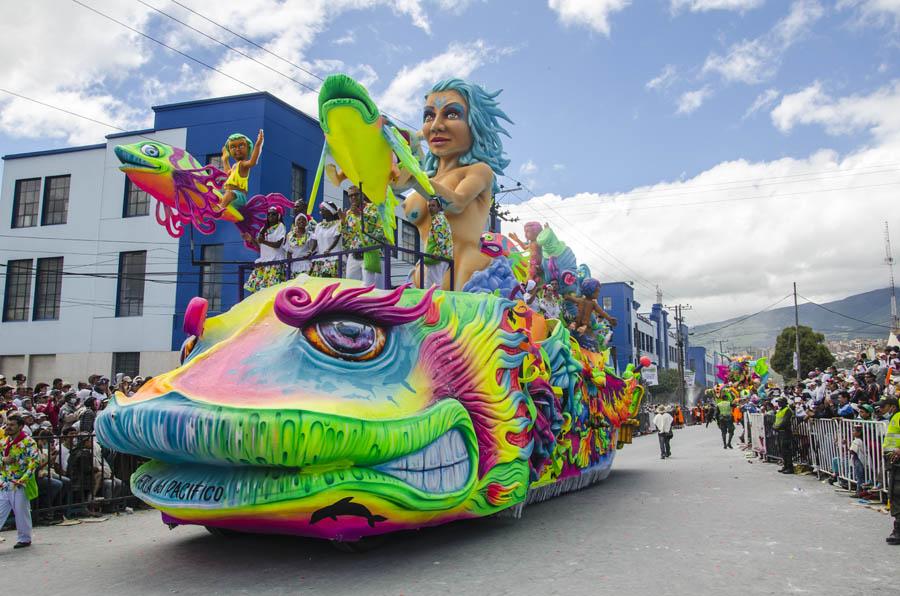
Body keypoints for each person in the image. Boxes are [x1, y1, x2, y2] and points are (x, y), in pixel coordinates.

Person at [402, 79, 513, 290]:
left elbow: (457, 202)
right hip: (421, 273)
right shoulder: (428, 177)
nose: (436, 126)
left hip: (466, 273)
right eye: (429, 116)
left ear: (474, 123)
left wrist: (414, 178)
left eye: (451, 114)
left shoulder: (478, 170)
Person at [1, 413, 38, 548]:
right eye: (7, 424)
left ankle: (24, 538)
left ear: (21, 426)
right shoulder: (4, 442)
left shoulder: (28, 442)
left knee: (21, 512)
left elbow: (34, 462)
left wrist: (23, 479)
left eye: (12, 425)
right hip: (4, 482)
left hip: (19, 484)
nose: (8, 427)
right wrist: (3, 460)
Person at [243, 207, 286, 293]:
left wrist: (264, 241)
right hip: (263, 263)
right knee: (257, 291)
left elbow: (277, 245)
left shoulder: (280, 226)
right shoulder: (264, 229)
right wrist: (251, 240)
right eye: (269, 214)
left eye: (273, 214)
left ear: (279, 216)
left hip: (275, 263)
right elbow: (260, 248)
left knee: (272, 291)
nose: (270, 216)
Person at [218, 130, 264, 210]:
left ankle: (219, 209)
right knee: (222, 197)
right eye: (233, 147)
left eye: (241, 146)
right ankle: (219, 206)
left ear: (248, 148)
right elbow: (228, 174)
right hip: (231, 195)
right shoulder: (235, 166)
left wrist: (258, 144)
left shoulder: (243, 164)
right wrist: (225, 160)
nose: (237, 149)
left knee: (229, 194)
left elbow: (253, 162)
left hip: (239, 196)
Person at [877, 396, 900, 544]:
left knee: (897, 494)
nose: (880, 410)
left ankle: (898, 530)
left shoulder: (898, 416)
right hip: (895, 462)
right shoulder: (895, 417)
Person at [423, 198, 453, 289]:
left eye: (433, 205)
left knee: (434, 286)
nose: (430, 208)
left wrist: (437, 253)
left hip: (437, 257)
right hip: (444, 256)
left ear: (439, 207)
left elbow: (441, 237)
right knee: (431, 285)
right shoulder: (443, 219)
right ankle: (431, 302)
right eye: (429, 206)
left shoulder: (438, 219)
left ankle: (434, 303)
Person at [310, 201, 342, 278]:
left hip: (334, 258)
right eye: (320, 210)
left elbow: (336, 238)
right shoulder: (318, 226)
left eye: (323, 209)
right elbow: (315, 240)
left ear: (330, 210)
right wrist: (310, 251)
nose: (320, 212)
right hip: (320, 259)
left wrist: (329, 249)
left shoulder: (338, 224)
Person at [773, 397, 795, 474]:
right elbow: (777, 420)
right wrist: (774, 426)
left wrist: (777, 427)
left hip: (786, 432)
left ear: (784, 403)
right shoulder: (780, 410)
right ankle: (785, 466)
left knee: (787, 450)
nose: (778, 403)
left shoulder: (788, 410)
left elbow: (785, 421)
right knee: (782, 450)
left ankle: (790, 467)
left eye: (780, 402)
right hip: (780, 432)